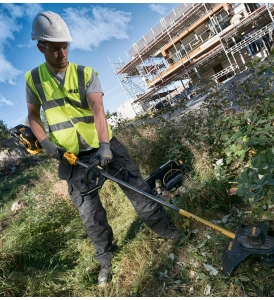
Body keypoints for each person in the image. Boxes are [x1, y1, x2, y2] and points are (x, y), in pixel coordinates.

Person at [25, 11, 182, 287]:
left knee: (138, 189)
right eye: (55, 48)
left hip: (104, 145)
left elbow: (98, 110)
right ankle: (106, 259)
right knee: (90, 214)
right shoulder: (33, 80)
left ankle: (165, 229)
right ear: (41, 47)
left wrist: (106, 147)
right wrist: (48, 145)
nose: (62, 53)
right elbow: (33, 117)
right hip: (71, 159)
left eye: (65, 46)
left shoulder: (86, 73)